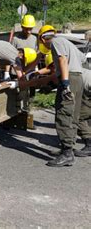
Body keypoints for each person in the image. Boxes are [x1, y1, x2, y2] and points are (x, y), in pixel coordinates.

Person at [37, 25, 89, 167]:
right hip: (78, 78)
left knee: (64, 114)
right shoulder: (68, 43)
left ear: (43, 38)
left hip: (70, 79)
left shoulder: (56, 42)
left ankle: (67, 154)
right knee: (73, 115)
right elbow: (83, 58)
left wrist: (65, 83)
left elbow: (62, 60)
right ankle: (68, 148)